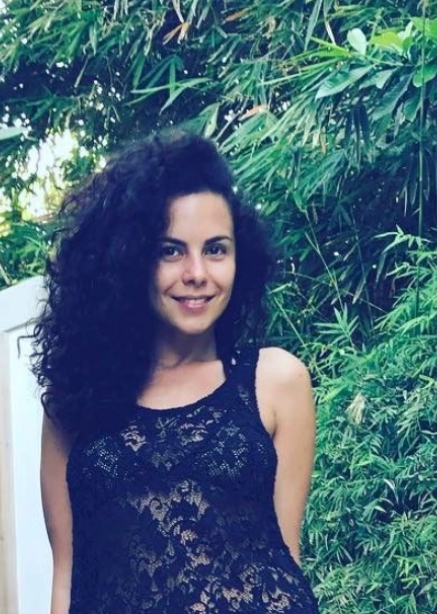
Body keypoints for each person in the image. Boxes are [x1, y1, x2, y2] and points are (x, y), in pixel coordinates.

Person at [33, 131, 319, 613]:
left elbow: (286, 555)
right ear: (130, 259)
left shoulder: (276, 381)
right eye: (171, 250)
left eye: (216, 249)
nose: (197, 273)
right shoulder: (74, 400)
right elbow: (67, 576)